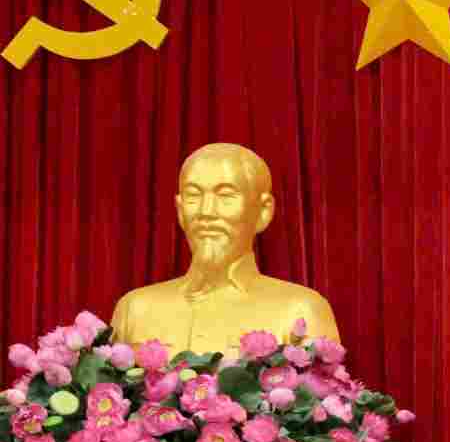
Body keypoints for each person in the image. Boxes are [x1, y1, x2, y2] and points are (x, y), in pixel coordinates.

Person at [111, 142, 340, 354]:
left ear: (263, 211)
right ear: (180, 210)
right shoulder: (135, 309)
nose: (206, 212)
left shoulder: (300, 310)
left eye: (225, 196)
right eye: (193, 196)